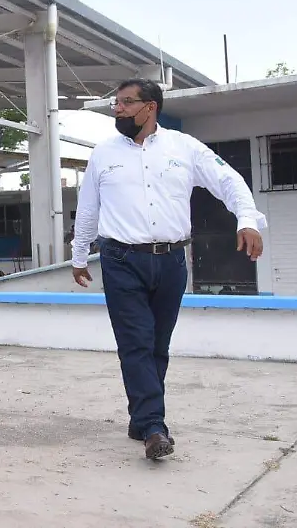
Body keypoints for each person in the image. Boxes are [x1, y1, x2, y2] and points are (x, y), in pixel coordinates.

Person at [71, 79, 266, 460]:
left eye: (127, 102)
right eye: (117, 103)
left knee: (158, 345)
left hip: (173, 261)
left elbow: (228, 180)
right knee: (136, 344)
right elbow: (89, 207)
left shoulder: (185, 147)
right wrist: (79, 255)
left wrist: (248, 219)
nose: (119, 109)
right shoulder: (103, 154)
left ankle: (141, 419)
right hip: (121, 260)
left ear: (151, 107)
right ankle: (155, 428)